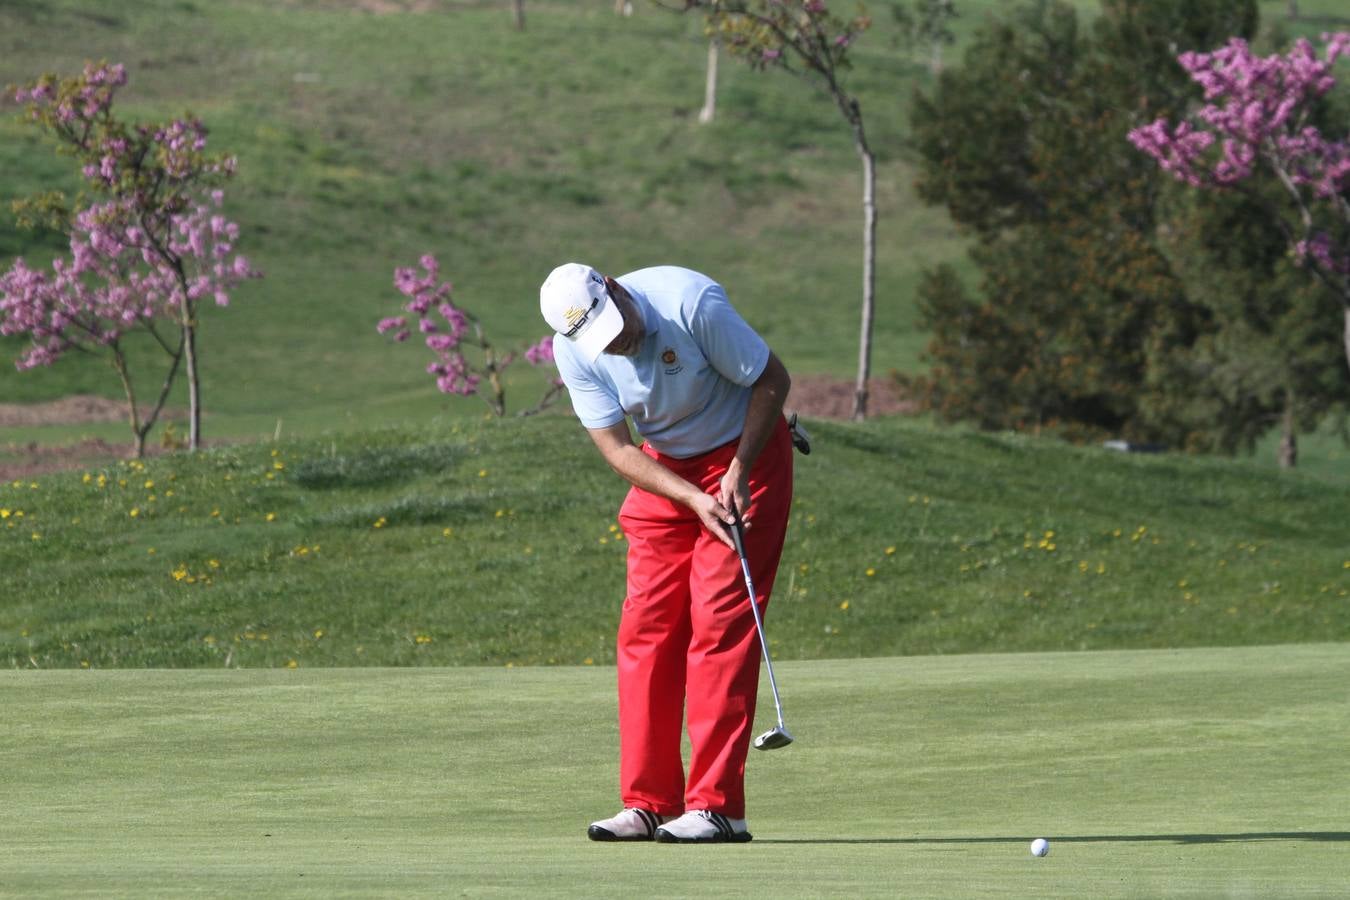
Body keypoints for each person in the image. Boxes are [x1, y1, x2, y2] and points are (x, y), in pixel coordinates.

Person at [539, 262, 795, 844]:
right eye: (600, 339)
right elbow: (616, 447)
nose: (618, 343)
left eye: (616, 326)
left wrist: (737, 469)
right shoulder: (575, 349)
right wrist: (687, 496)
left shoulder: (690, 303)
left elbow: (772, 379)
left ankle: (718, 808)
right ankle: (649, 801)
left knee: (719, 624)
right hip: (665, 472)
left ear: (616, 289)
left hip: (742, 455)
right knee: (646, 628)